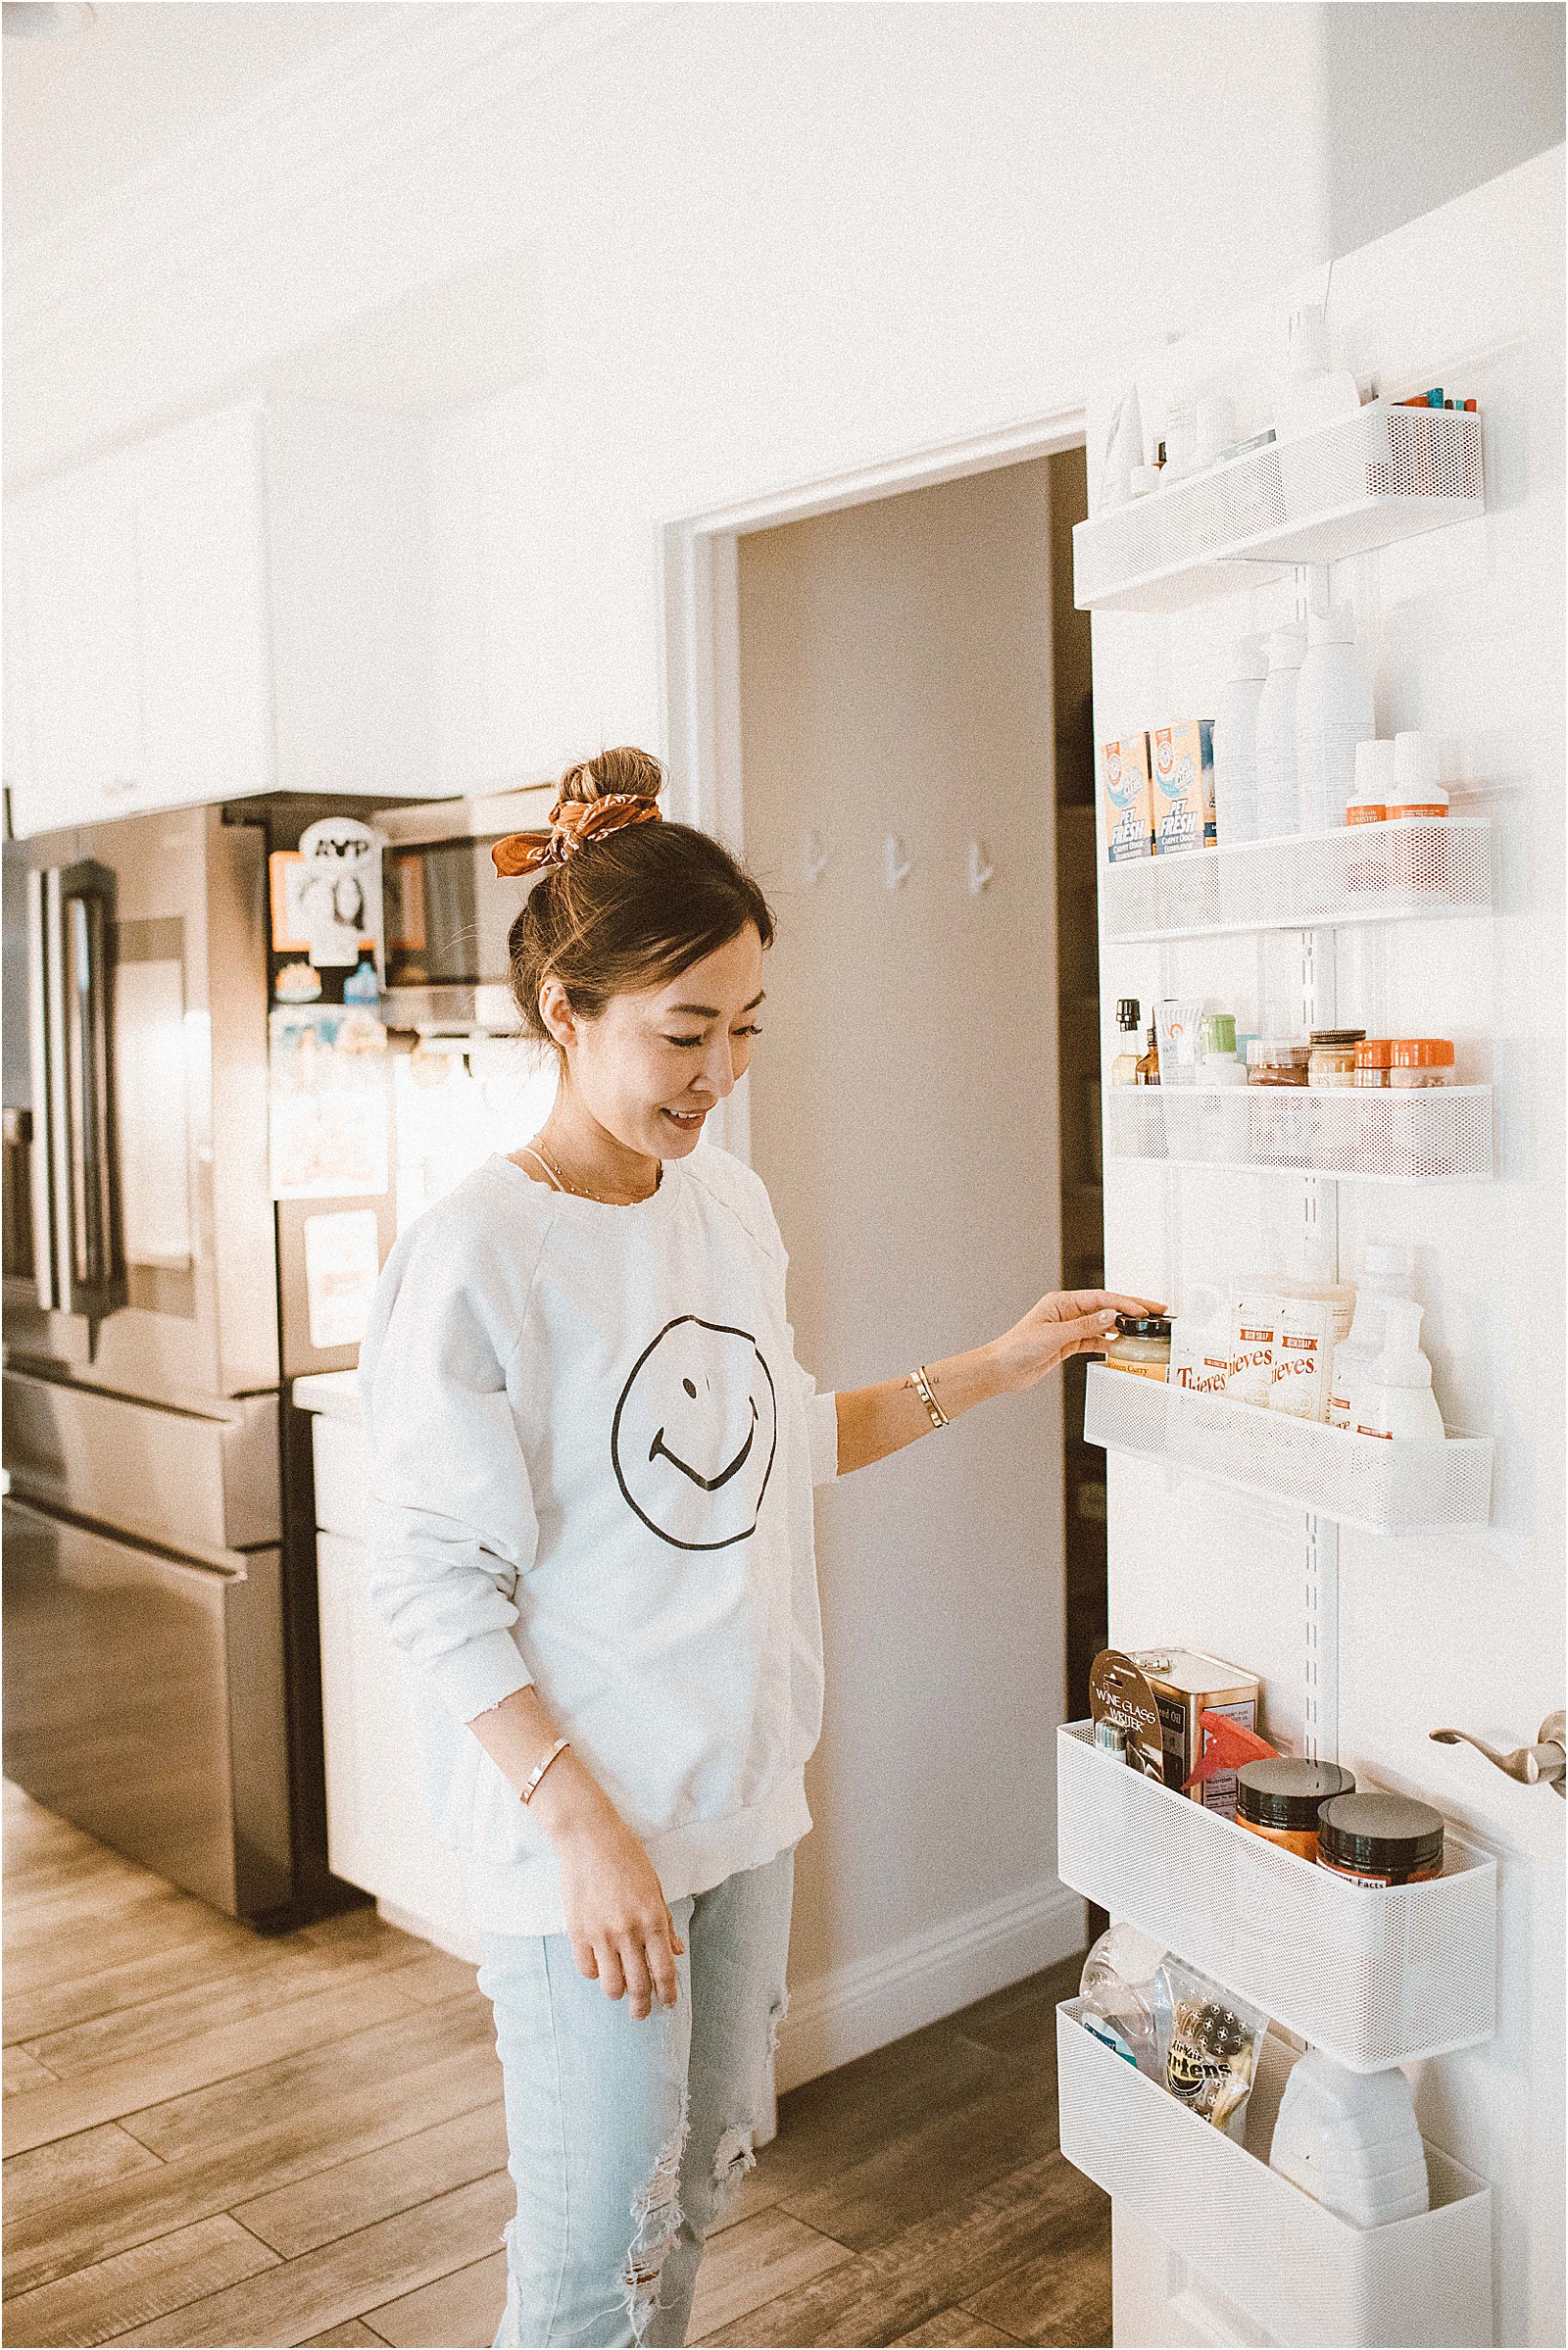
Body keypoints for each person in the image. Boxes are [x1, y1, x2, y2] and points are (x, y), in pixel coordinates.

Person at [359, 746, 1156, 2349]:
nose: (716, 1071)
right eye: (681, 1030)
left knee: (694, 2198)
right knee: (594, 2255)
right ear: (565, 1012)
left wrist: (998, 1363)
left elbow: (771, 1443)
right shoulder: (476, 1252)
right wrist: (583, 1828)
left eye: (742, 1031)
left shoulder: (726, 1206)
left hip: (737, 1803)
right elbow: (432, 1581)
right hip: (589, 1830)